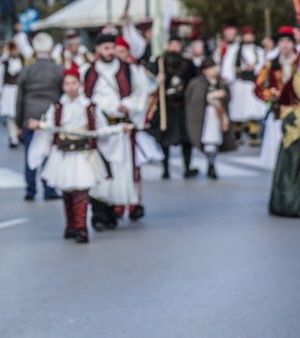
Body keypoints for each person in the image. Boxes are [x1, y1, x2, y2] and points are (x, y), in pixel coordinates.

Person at [26, 69, 126, 243]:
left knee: (81, 191)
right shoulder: (57, 107)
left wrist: (118, 129)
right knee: (67, 191)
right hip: (63, 154)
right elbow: (49, 128)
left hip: (83, 154)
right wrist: (39, 130)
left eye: (74, 83)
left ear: (80, 85)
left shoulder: (90, 107)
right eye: (67, 84)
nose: (71, 87)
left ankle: (81, 227)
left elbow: (101, 130)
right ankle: (71, 225)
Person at [82, 33, 155, 230]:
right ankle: (98, 214)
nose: (110, 51)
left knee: (119, 172)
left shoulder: (130, 71)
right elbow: (82, 97)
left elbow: (141, 93)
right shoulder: (87, 71)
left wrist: (129, 106)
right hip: (98, 130)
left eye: (112, 47)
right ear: (98, 50)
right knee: (97, 171)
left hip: (120, 129)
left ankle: (112, 210)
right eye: (105, 48)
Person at [257, 27, 300, 217]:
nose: (285, 46)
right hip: (281, 114)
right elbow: (258, 87)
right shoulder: (272, 65)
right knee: (283, 158)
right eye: (282, 42)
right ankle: (285, 198)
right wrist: (271, 96)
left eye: (288, 42)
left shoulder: (298, 61)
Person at [15, 32, 63, 201]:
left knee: (30, 153)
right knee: (49, 153)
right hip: (51, 115)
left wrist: (19, 123)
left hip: (30, 115)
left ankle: (30, 189)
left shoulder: (27, 69)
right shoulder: (58, 69)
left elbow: (20, 98)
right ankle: (49, 188)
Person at [148, 36, 198, 179]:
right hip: (166, 106)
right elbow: (147, 81)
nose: (175, 47)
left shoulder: (188, 63)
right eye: (172, 44)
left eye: (177, 44)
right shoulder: (159, 63)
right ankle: (165, 169)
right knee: (165, 139)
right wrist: (157, 79)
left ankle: (187, 167)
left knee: (186, 140)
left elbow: (194, 81)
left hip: (183, 106)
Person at [184, 59, 236, 179]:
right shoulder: (197, 83)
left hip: (218, 115)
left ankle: (211, 164)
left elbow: (228, 98)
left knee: (215, 140)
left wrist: (223, 96)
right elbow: (193, 100)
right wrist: (210, 96)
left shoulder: (221, 82)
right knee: (208, 140)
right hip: (204, 116)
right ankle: (210, 162)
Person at [227, 27, 267, 147]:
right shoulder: (234, 50)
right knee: (237, 110)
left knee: (253, 110)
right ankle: (237, 135)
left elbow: (263, 66)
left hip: (252, 83)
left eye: (250, 35)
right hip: (239, 83)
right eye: (246, 35)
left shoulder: (259, 51)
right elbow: (228, 67)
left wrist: (254, 68)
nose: (248, 37)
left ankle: (254, 136)